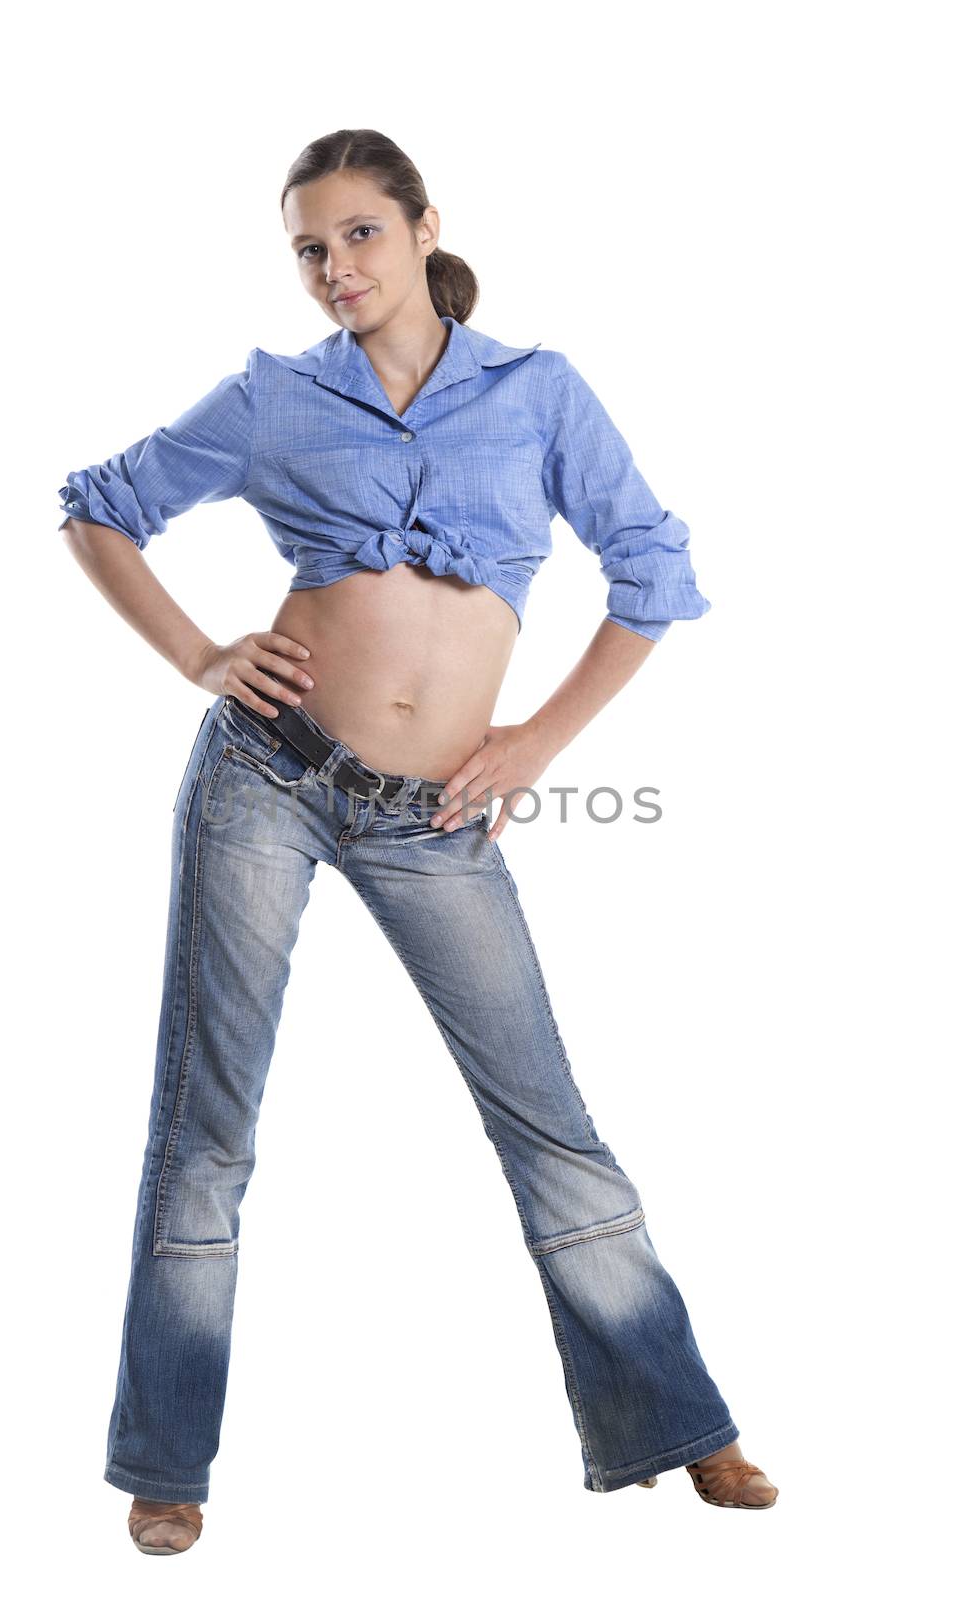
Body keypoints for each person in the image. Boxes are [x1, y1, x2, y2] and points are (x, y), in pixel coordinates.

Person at [57, 128, 779, 1555]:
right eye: (309, 249)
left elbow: (652, 570)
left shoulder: (536, 393)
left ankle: (676, 1427)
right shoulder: (271, 400)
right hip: (263, 775)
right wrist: (202, 656)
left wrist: (537, 742)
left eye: (359, 237)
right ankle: (166, 1458)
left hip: (435, 814)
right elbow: (98, 509)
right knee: (207, 1127)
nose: (335, 269)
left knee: (547, 1122)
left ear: (421, 227)